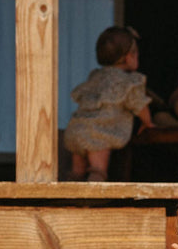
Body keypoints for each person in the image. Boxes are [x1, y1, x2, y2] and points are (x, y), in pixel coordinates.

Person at [64, 26, 154, 181]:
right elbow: (139, 105)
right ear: (128, 57)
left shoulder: (96, 76)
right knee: (97, 170)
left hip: (76, 130)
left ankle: (69, 200)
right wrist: (148, 122)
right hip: (99, 134)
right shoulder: (129, 81)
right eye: (136, 53)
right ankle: (92, 200)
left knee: (77, 172)